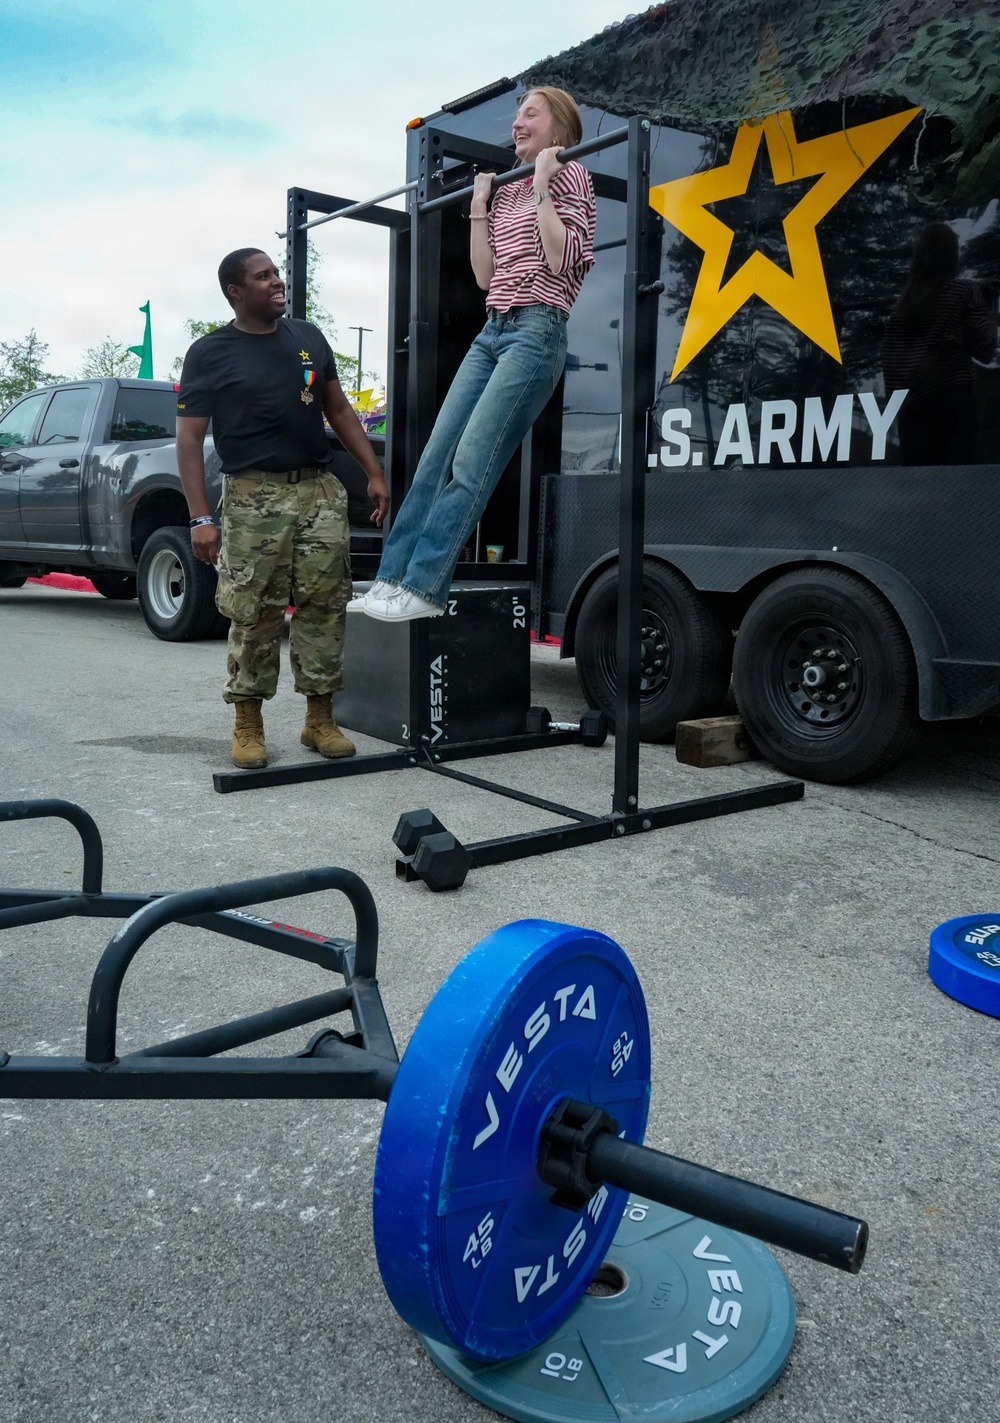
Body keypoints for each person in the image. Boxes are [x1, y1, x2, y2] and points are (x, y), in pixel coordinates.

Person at [349, 86, 596, 623]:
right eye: (517, 114)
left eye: (531, 113)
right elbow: (487, 276)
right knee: (432, 459)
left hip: (537, 331)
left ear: (559, 127)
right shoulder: (506, 189)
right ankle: (390, 577)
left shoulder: (570, 173)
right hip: (493, 330)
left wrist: (544, 189)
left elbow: (563, 260)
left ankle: (424, 587)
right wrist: (480, 207)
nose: (518, 122)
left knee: (470, 463)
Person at [176, 248, 390, 769]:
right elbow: (189, 439)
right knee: (254, 613)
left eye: (277, 273)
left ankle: (320, 719)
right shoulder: (210, 353)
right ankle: (248, 723)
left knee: (325, 605)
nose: (277, 281)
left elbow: (337, 408)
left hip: (318, 490)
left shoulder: (307, 338)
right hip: (253, 495)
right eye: (263, 276)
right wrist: (201, 518)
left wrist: (374, 473)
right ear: (235, 291)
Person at [882, 222, 998, 465]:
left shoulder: (902, 305)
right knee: (957, 489)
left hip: (911, 410)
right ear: (953, 256)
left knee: (920, 491)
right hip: (954, 404)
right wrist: (989, 306)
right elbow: (985, 350)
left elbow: (889, 364)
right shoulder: (965, 292)